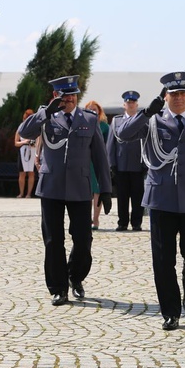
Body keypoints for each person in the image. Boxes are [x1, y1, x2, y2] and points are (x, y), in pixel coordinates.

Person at [117, 71, 185, 331]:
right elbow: (123, 135)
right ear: (165, 96)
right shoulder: (152, 120)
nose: (178, 98)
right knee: (163, 260)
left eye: (182, 94)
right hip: (162, 198)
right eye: (173, 94)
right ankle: (171, 312)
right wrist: (144, 113)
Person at [17, 75, 112, 307]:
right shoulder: (47, 117)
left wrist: (107, 189)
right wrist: (44, 113)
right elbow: (24, 132)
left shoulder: (88, 119)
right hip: (51, 187)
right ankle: (58, 288)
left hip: (80, 188)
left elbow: (100, 157)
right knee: (53, 240)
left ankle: (74, 276)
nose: (69, 99)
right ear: (55, 96)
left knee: (83, 240)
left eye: (72, 95)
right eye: (64, 95)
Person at [107, 90, 145, 231]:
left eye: (133, 102)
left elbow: (146, 142)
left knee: (138, 197)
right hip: (121, 164)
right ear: (124, 104)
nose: (131, 104)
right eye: (128, 102)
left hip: (138, 164)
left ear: (137, 104)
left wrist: (146, 163)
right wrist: (112, 164)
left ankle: (136, 223)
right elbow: (111, 144)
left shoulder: (142, 120)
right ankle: (122, 222)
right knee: (122, 197)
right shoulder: (116, 121)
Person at [84, 101, 110, 230]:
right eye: (89, 109)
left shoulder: (104, 126)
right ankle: (86, 218)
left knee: (97, 191)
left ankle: (96, 218)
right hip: (85, 161)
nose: (92, 111)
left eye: (94, 109)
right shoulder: (83, 124)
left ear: (99, 111)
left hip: (97, 161)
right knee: (86, 190)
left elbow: (107, 146)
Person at [14, 109, 37, 198]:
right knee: (22, 173)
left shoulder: (36, 127)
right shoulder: (20, 127)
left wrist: (33, 143)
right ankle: (21, 193)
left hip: (32, 150)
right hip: (23, 151)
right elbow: (16, 143)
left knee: (31, 173)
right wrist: (24, 142)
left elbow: (38, 140)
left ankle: (28, 194)